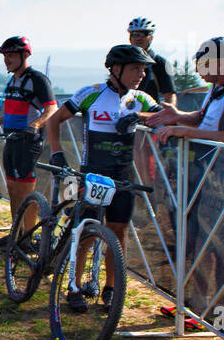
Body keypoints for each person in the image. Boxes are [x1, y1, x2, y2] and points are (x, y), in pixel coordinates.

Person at [45, 45, 162, 311]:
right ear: (116, 69)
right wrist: (57, 153)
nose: (141, 74)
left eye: (144, 69)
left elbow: (161, 115)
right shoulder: (92, 93)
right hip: (93, 174)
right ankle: (73, 287)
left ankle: (111, 287)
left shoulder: (141, 99)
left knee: (118, 233)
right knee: (86, 231)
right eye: (135, 68)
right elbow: (55, 120)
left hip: (123, 175)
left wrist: (138, 116)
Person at [146, 38, 224, 301]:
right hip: (205, 174)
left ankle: (221, 312)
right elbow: (204, 118)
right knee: (198, 242)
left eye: (203, 64)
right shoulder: (217, 87)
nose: (198, 71)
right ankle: (197, 304)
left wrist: (185, 131)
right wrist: (179, 116)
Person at [0, 36, 57, 247]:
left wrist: (35, 125)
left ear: (24, 55)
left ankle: (28, 237)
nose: (6, 60)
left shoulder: (37, 79)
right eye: (5, 56)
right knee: (12, 189)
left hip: (28, 142)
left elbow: (51, 108)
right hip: (11, 140)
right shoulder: (13, 79)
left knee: (26, 191)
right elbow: (13, 109)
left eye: (10, 55)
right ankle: (15, 234)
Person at [126, 17, 176, 107]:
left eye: (144, 34)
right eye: (135, 34)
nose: (138, 38)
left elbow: (169, 96)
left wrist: (166, 115)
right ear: (130, 37)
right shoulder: (123, 61)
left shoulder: (161, 63)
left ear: (151, 37)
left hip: (151, 116)